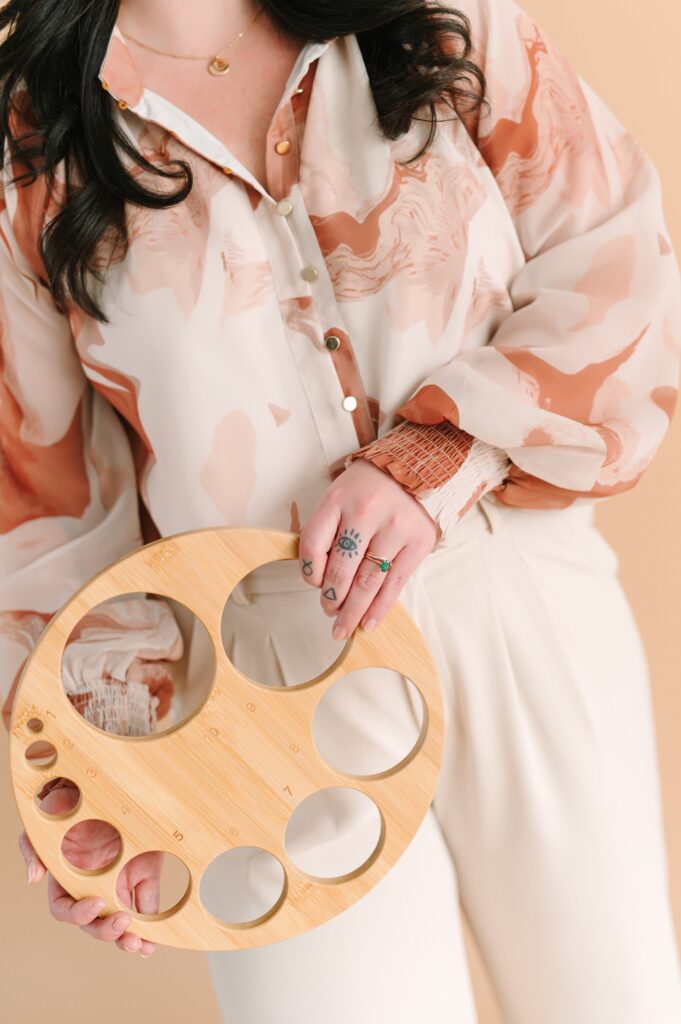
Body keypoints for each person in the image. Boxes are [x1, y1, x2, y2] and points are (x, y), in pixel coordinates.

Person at [2, 0, 681, 1020]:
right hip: (251, 683)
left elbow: (617, 258)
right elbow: (40, 509)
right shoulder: (28, 144)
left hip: (517, 599)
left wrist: (432, 457)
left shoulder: (435, 14)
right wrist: (114, 773)